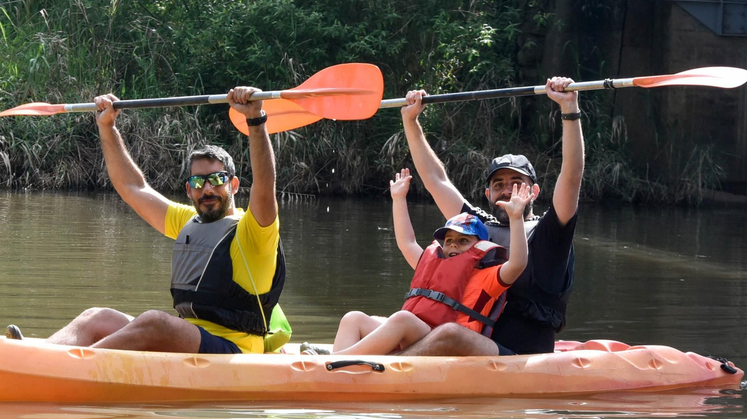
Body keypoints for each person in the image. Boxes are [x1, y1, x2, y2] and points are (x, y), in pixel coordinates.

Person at [46, 86, 285, 354]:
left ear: (235, 185)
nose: (207, 189)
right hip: (190, 340)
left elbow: (265, 188)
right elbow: (133, 187)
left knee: (156, 322)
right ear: (189, 190)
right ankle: (38, 356)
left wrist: (255, 120)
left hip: (235, 351)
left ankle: (71, 364)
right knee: (97, 317)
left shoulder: (254, 231)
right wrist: (107, 127)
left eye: (217, 179)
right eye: (198, 182)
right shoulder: (187, 221)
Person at [395, 77, 584, 356]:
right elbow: (436, 180)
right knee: (375, 321)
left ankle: (377, 368)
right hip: (469, 343)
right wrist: (411, 121)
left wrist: (569, 109)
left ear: (533, 191)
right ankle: (350, 360)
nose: (506, 190)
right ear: (488, 194)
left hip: (520, 355)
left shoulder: (551, 232)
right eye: (498, 185)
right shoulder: (477, 229)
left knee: (449, 334)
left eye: (516, 183)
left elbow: (572, 176)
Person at [333, 169, 528, 356]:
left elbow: (518, 263)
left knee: (403, 319)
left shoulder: (489, 277)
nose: (453, 245)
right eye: (449, 241)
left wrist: (516, 217)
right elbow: (407, 243)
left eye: (463, 241)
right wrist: (399, 199)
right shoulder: (432, 263)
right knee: (353, 319)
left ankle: (335, 362)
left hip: (445, 341)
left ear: (480, 246)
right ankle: (336, 367)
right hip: (414, 332)